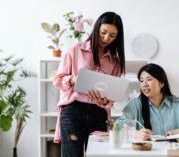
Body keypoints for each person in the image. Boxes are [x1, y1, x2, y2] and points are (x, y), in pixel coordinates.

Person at [53, 12, 125, 157]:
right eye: (103, 32)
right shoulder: (76, 50)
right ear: (96, 28)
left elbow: (111, 96)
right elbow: (58, 80)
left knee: (98, 154)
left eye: (112, 35)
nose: (106, 38)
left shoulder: (115, 62)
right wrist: (74, 80)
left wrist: (104, 101)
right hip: (73, 110)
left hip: (98, 114)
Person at [122, 63, 179, 141]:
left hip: (173, 151)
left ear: (161, 83)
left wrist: (176, 133)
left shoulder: (178, 103)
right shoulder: (135, 105)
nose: (144, 84)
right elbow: (118, 127)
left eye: (149, 79)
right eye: (141, 81)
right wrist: (135, 134)